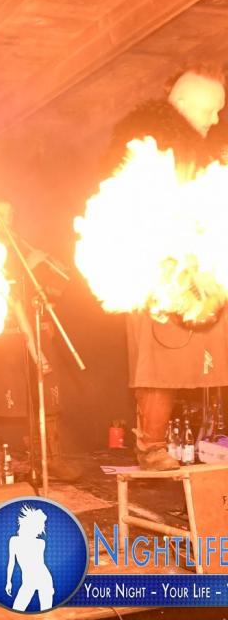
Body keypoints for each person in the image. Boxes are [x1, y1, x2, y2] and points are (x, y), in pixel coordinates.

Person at [104, 63, 228, 470]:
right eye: (210, 110)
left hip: (202, 271)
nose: (216, 119)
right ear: (184, 103)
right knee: (160, 362)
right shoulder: (144, 145)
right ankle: (151, 446)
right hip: (161, 275)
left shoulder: (203, 150)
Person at [0, 202, 82, 484]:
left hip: (35, 330)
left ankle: (51, 459)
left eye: (10, 214)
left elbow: (46, 291)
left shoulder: (20, 248)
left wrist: (49, 271)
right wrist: (29, 265)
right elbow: (4, 288)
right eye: (0, 214)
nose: (5, 219)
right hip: (2, 334)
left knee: (45, 398)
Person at [5, 504, 54, 612]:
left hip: (43, 579)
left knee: (46, 613)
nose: (41, 529)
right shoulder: (14, 541)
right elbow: (11, 563)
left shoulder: (40, 543)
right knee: (17, 609)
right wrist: (8, 581)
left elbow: (39, 565)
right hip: (28, 581)